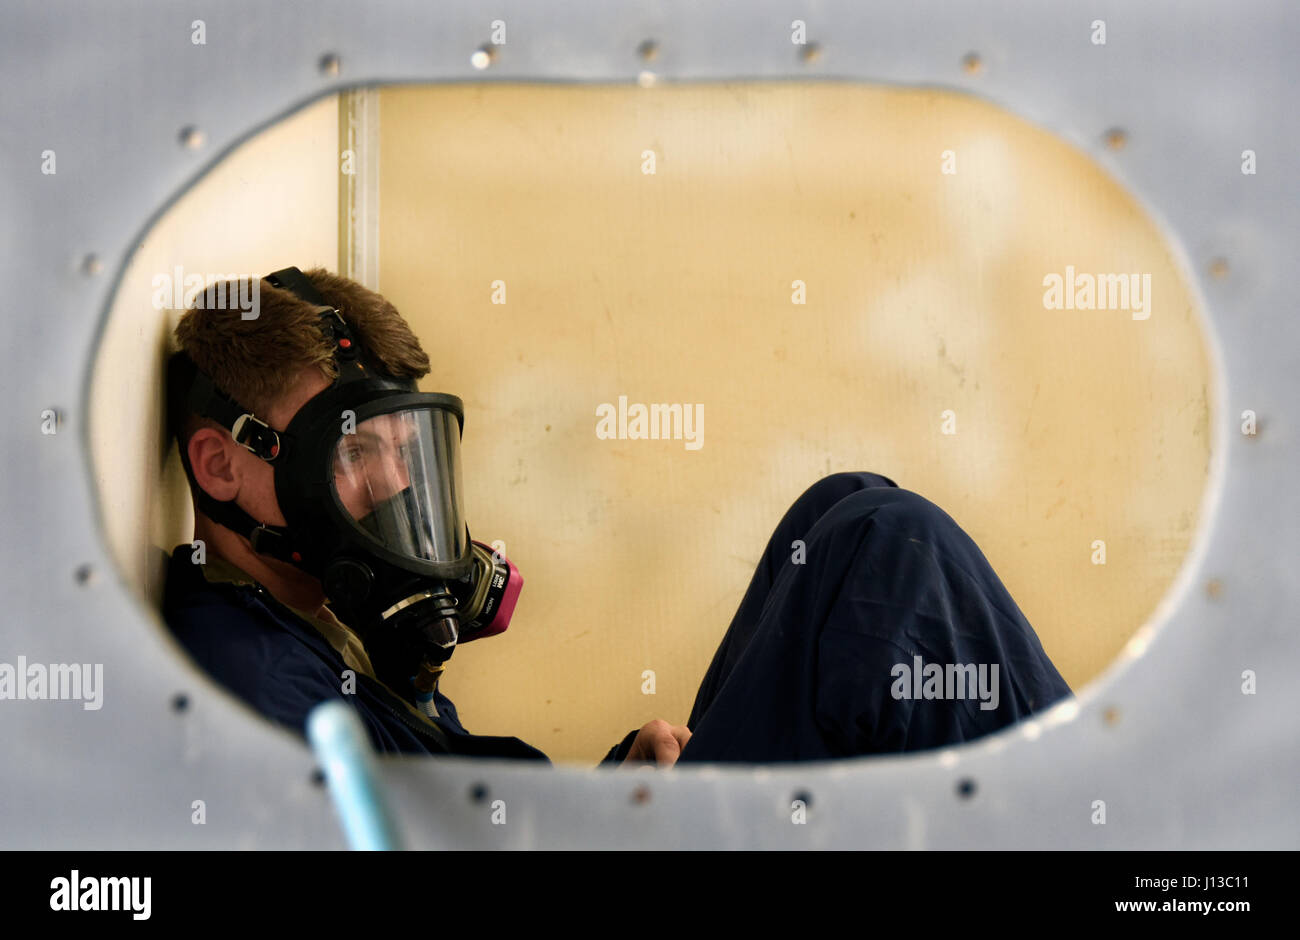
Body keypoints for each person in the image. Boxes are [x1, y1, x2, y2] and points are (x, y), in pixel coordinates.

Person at [162, 267, 1072, 770]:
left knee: (840, 511)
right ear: (221, 464)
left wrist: (614, 796)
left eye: (408, 450)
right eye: (357, 449)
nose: (399, 486)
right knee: (888, 551)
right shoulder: (253, 692)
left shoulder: (317, 623)